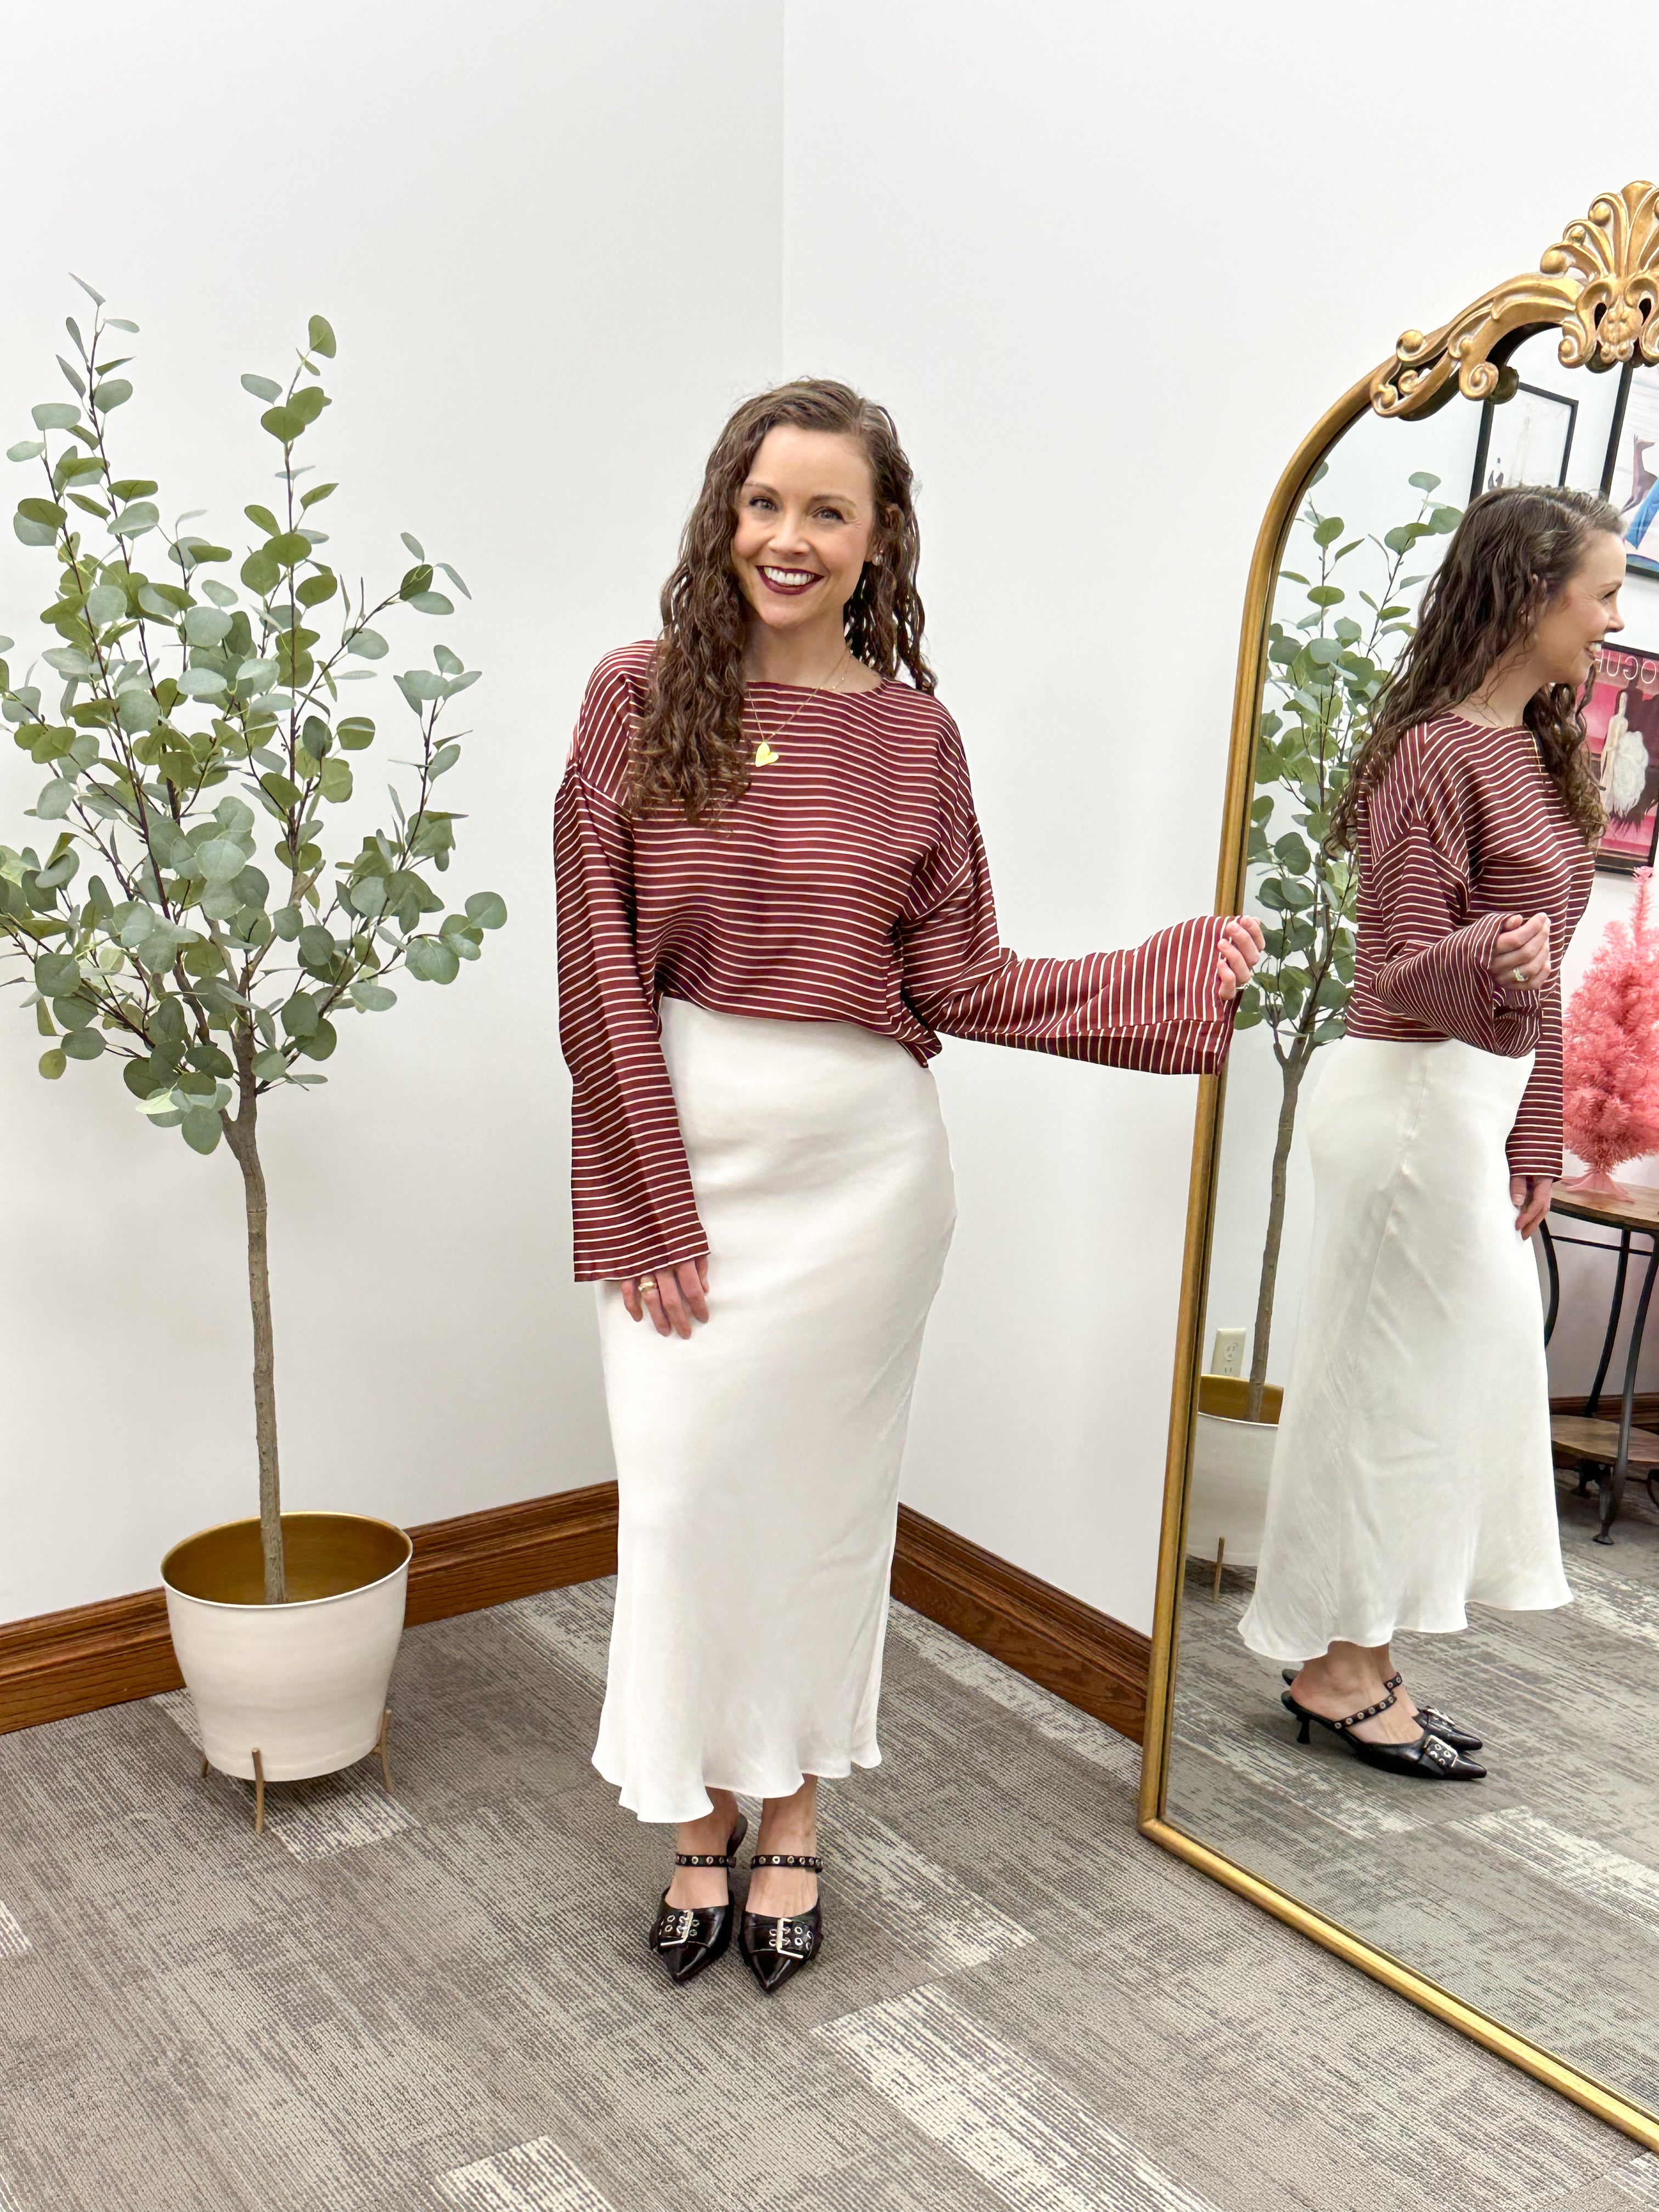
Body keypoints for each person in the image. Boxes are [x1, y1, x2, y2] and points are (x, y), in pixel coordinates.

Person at [554, 378, 1263, 1990]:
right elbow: (596, 968)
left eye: (827, 512)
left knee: (813, 1512)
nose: (788, 539)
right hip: (684, 1144)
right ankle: (690, 1812)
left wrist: (1173, 978)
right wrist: (649, 1201)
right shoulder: (634, 695)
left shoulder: (913, 738)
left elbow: (962, 975)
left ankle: (788, 1809)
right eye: (764, 504)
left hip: (865, 1175)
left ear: (881, 542)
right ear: (721, 516)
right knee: (677, 1500)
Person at [1238, 483, 1623, 1779]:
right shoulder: (1433, 754)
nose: (1617, 617)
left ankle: (1366, 1649)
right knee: (1383, 1398)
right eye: (1605, 592)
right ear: (1530, 597)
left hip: (1471, 1108)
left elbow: (1544, 971)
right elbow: (1400, 967)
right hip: (1406, 1104)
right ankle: (1338, 1669)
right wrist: (1489, 956)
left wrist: (1534, 1132)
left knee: (1439, 1394)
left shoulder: (1535, 749)